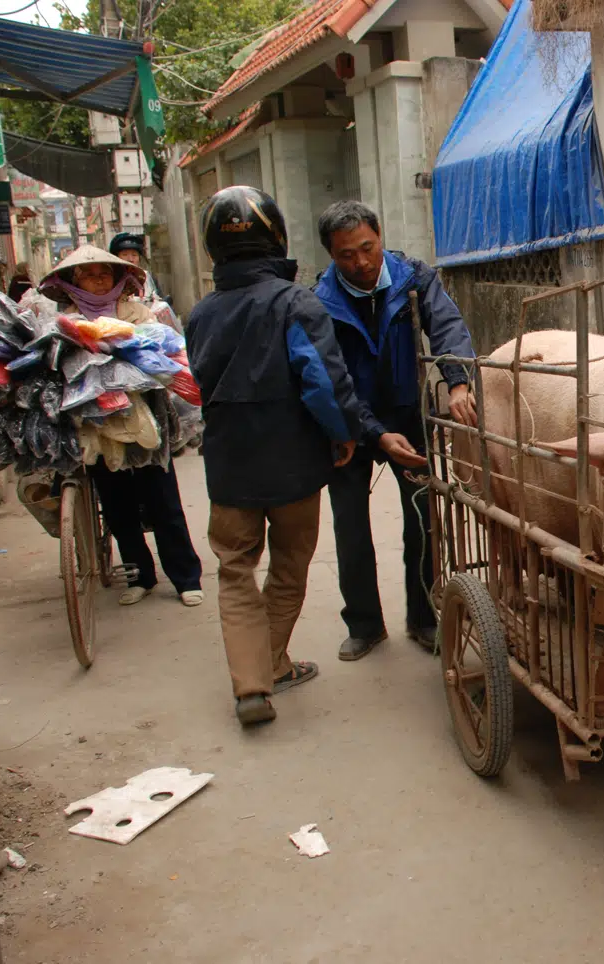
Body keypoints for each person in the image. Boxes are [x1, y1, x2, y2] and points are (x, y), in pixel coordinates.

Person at [185, 186, 366, 726]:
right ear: (277, 236)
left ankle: (251, 687)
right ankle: (273, 664)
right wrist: (344, 433)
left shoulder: (200, 315)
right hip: (293, 465)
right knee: (288, 565)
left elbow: (196, 383)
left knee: (235, 570)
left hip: (228, 466)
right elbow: (323, 383)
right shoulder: (296, 303)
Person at [313, 200, 476, 662]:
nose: (361, 263)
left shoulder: (414, 278)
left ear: (380, 235)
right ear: (331, 254)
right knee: (350, 523)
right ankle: (364, 624)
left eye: (368, 248)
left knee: (423, 520)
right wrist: (372, 432)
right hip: (349, 423)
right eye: (347, 255)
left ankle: (424, 618)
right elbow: (331, 378)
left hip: (409, 412)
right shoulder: (319, 301)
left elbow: (447, 327)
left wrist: (458, 382)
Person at [37, 246, 205, 609]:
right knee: (117, 506)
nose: (98, 280)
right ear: (72, 283)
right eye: (88, 274)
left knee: (163, 501)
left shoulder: (139, 313)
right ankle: (138, 576)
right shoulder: (65, 322)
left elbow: (166, 357)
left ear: (118, 279)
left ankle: (186, 578)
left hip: (144, 417)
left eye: (105, 273)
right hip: (95, 427)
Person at [108, 233, 165, 303]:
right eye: (125, 254)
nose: (130, 259)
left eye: (134, 255)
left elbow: (160, 303)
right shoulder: (109, 279)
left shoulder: (147, 277)